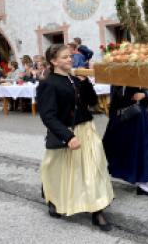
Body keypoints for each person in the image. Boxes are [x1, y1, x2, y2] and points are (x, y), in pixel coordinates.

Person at [37, 44, 114, 231]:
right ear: (54, 61)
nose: (70, 59)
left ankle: (97, 210)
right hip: (66, 132)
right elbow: (48, 115)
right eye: (65, 57)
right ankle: (54, 199)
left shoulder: (75, 78)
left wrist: (85, 82)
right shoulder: (48, 83)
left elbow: (92, 102)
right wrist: (67, 137)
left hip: (86, 129)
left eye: (70, 56)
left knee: (93, 169)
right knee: (58, 171)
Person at [103, 86, 148, 197]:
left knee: (142, 150)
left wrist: (145, 95)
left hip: (137, 118)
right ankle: (102, 177)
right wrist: (113, 117)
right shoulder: (115, 79)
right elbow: (115, 97)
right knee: (112, 147)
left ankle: (142, 184)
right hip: (121, 117)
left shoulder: (137, 75)